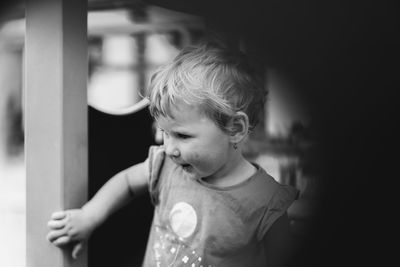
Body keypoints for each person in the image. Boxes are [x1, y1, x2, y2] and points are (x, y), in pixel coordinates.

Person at [47, 42, 299, 267]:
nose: (169, 148)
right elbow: (125, 183)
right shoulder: (166, 166)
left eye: (182, 135)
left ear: (235, 129)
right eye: (164, 133)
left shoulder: (266, 201)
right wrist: (90, 216)